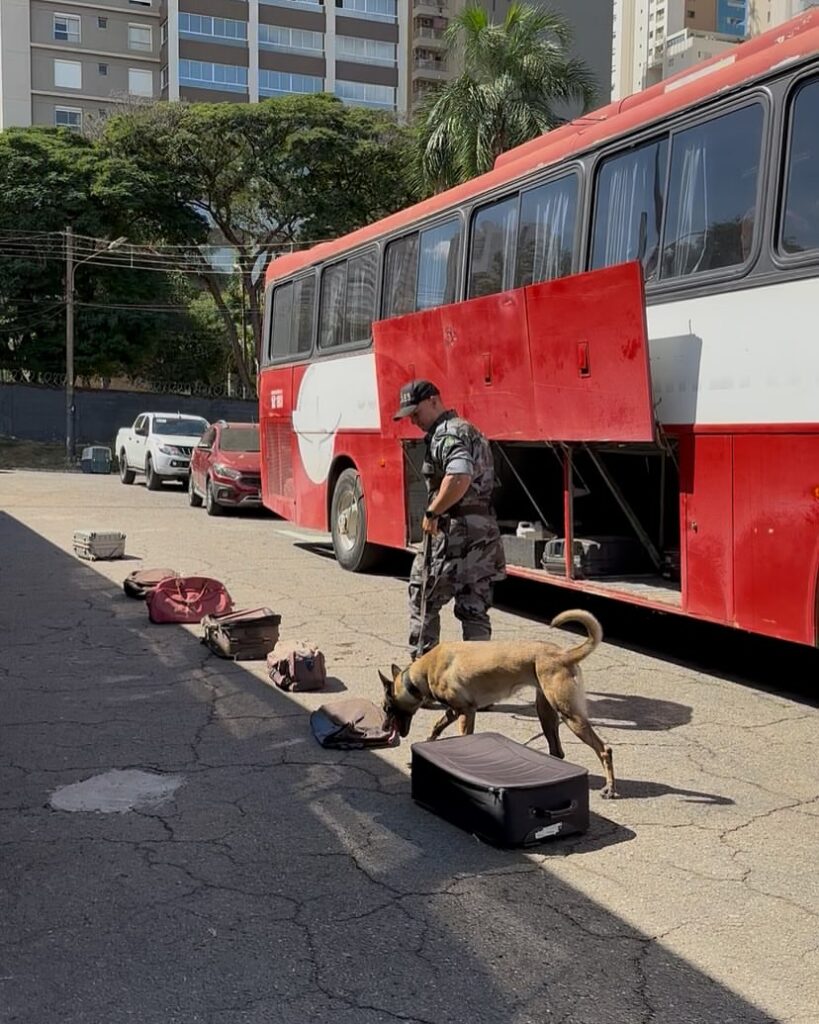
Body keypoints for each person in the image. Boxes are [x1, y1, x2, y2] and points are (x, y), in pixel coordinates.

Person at [393, 379, 506, 658]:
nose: (414, 422)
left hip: (454, 533)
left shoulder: (445, 434)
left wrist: (434, 511)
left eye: (416, 413)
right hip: (483, 533)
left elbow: (459, 475)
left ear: (434, 400)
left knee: (423, 598)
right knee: (474, 609)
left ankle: (422, 680)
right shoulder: (471, 430)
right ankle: (478, 685)